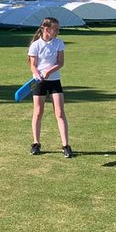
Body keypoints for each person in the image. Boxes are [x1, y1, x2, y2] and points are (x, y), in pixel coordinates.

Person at [27, 16, 74, 158]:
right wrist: (37, 74)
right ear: (46, 29)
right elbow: (33, 65)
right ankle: (36, 143)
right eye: (56, 29)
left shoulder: (58, 43)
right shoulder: (35, 45)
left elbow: (60, 62)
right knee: (38, 112)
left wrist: (49, 71)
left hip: (54, 81)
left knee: (60, 113)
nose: (58, 32)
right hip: (39, 82)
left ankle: (66, 145)